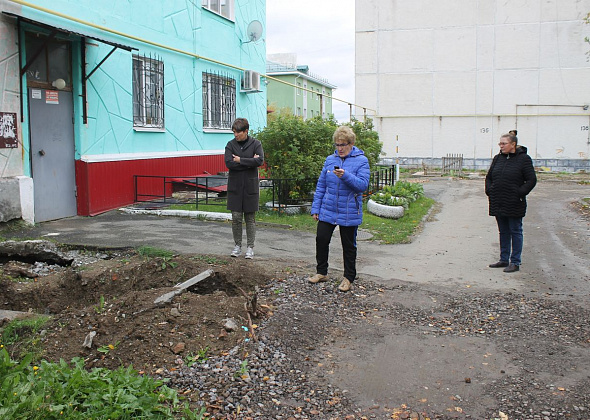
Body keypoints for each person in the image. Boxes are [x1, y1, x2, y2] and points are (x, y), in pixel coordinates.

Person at [308, 125, 370, 292]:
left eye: (343, 145)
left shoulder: (361, 160)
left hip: (349, 210)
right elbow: (321, 185)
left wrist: (346, 176)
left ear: (351, 144)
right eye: (337, 144)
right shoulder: (330, 160)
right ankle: (322, 272)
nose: (340, 148)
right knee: (321, 239)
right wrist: (316, 208)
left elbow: (362, 185)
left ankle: (348, 277)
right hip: (328, 209)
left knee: (348, 245)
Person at [485, 132, 537, 273]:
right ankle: (503, 259)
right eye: (500, 144)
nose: (501, 146)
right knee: (503, 231)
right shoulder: (497, 159)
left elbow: (531, 180)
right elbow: (489, 177)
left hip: (514, 201)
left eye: (504, 144)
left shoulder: (524, 159)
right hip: (498, 200)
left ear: (513, 144)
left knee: (515, 231)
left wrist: (519, 193)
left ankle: (515, 262)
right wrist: (490, 190)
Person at [224, 118, 264, 259]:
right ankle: (237, 246)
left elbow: (259, 161)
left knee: (250, 217)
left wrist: (240, 160)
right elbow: (229, 163)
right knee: (236, 217)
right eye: (234, 132)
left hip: (250, 186)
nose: (235, 135)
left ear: (246, 131)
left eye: (238, 132)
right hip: (235, 186)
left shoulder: (256, 143)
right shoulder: (230, 145)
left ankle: (250, 247)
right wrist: (249, 161)